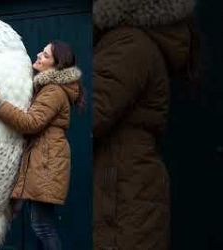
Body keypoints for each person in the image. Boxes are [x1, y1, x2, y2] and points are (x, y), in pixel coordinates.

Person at [92, 0, 197, 249]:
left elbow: (91, 113)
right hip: (129, 189)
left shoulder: (130, 44)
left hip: (118, 196)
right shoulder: (138, 41)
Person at [0, 40, 84, 250]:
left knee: (42, 226)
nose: (38, 55)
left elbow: (30, 123)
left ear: (56, 65)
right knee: (41, 224)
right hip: (46, 159)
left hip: (47, 163)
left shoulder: (53, 91)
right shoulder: (48, 88)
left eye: (44, 55)